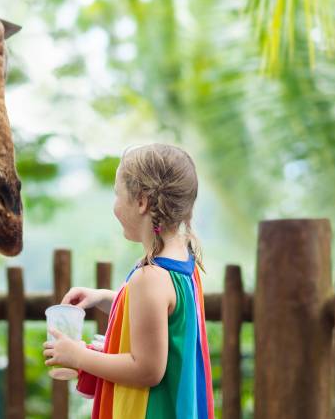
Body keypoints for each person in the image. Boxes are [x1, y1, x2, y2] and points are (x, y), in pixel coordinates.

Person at [43, 143, 214, 418]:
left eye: (117, 194)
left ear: (142, 201)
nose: (114, 204)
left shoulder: (150, 278)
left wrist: (78, 356)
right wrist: (104, 297)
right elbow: (160, 324)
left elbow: (146, 369)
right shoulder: (182, 260)